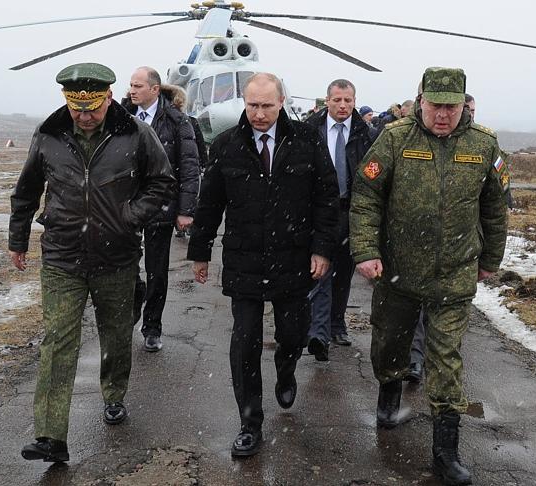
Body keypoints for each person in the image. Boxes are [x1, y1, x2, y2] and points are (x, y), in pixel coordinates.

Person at [350, 67, 508, 486]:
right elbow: (366, 197)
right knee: (389, 344)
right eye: (435, 105)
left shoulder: (484, 145)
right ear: (421, 101)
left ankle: (445, 453)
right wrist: (366, 251)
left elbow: (495, 207)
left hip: (454, 274)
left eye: (450, 106)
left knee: (445, 360)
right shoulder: (395, 139)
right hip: (398, 270)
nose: (442, 114)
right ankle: (389, 391)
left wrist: (490, 257)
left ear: (462, 104)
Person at [9, 63, 175, 463]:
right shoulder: (49, 135)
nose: (84, 116)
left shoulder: (135, 134)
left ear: (109, 98)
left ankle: (114, 394)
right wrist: (18, 239)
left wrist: (130, 217)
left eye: (93, 108)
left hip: (116, 258)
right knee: (58, 342)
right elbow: (28, 188)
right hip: (62, 257)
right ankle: (50, 436)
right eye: (76, 108)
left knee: (116, 336)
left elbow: (162, 182)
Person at [187, 73, 339, 458]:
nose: (258, 113)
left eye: (266, 106)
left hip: (294, 257)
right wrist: (200, 252)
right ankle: (250, 423)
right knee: (245, 341)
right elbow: (209, 204)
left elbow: (326, 198)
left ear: (282, 101)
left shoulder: (306, 141)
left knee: (293, 333)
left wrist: (322, 249)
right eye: (252, 105)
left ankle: (286, 369)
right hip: (245, 259)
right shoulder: (227, 145)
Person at [122, 66, 200, 352]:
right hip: (126, 207)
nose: (132, 90)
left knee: (158, 270)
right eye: (131, 85)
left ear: (155, 89)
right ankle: (132, 303)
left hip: (161, 205)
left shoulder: (178, 121)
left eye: (138, 85)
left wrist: (186, 209)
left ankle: (152, 327)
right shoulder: (122, 118)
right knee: (126, 265)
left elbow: (191, 167)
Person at [304, 79, 375, 361]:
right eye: (337, 100)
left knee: (343, 271)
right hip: (318, 209)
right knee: (319, 268)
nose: (342, 105)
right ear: (327, 101)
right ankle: (317, 331)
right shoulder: (311, 130)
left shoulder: (365, 133)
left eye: (347, 100)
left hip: (350, 210)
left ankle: (336, 324)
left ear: (354, 101)